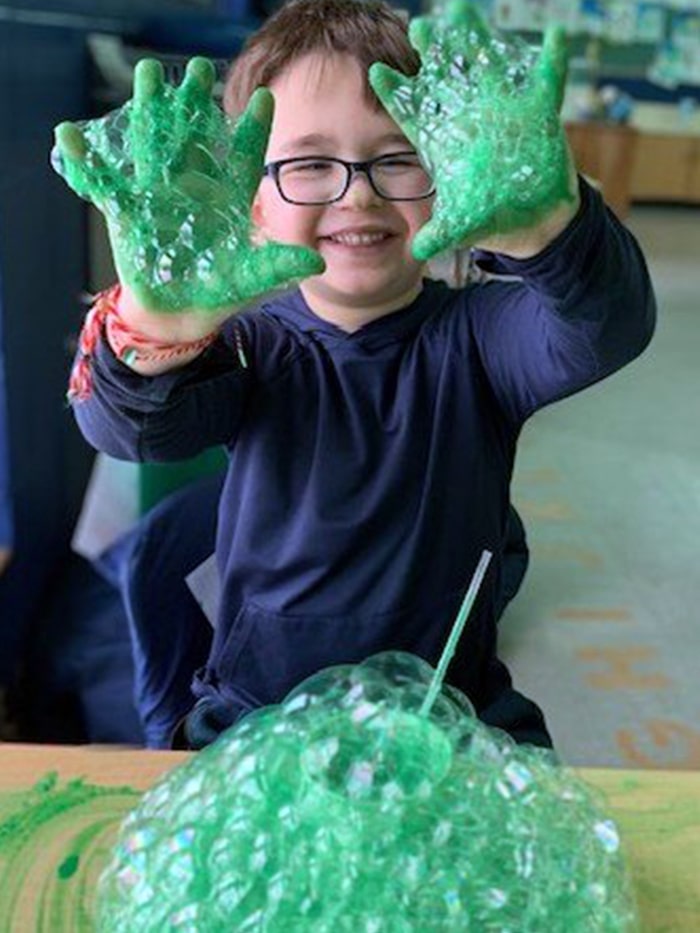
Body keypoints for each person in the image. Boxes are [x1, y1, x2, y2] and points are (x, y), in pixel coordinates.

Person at [54, 0, 655, 750]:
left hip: (448, 712)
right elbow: (129, 428)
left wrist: (550, 225)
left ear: (450, 170)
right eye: (309, 163)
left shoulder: (483, 338)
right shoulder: (245, 346)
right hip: (256, 713)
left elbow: (607, 325)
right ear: (252, 198)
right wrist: (159, 325)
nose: (358, 193)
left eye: (397, 157)